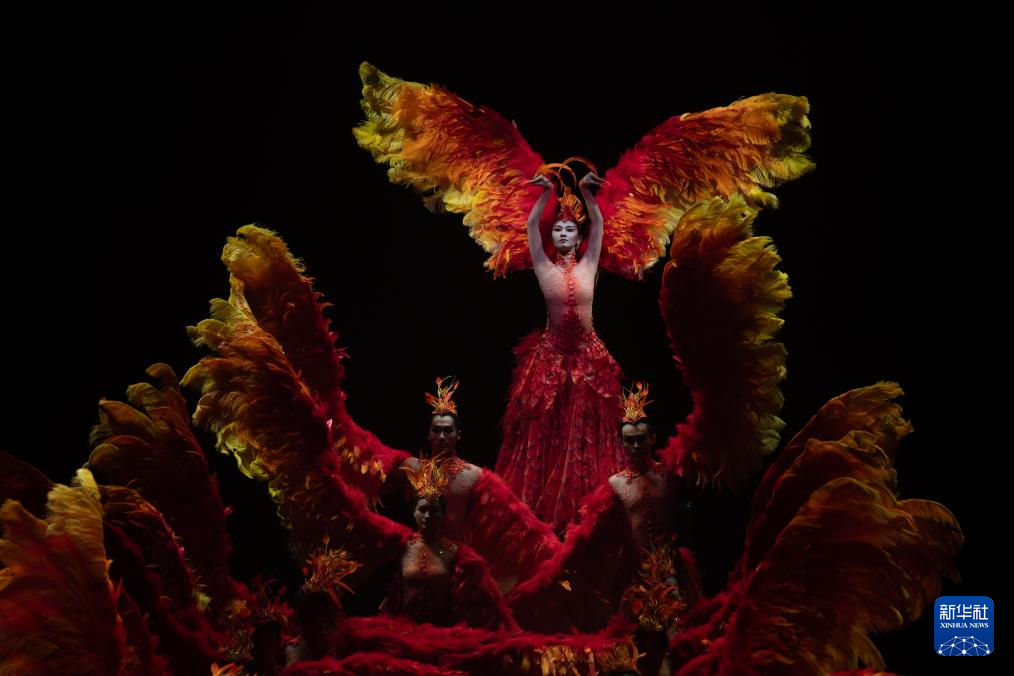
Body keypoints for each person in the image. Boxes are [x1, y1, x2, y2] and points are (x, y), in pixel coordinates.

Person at [495, 165, 625, 531]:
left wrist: (586, 192)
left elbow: (598, 226)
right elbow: (530, 230)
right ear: (552, 236)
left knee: (587, 434)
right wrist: (544, 195)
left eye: (569, 229)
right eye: (558, 229)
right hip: (550, 359)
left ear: (578, 235)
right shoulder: (543, 266)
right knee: (545, 432)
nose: (564, 233)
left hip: (588, 359)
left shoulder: (589, 264)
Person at [385, 463, 517, 630]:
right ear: (414, 513)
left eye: (434, 511)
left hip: (439, 633)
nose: (427, 516)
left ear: (443, 515)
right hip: (403, 631)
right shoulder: (402, 547)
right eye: (423, 510)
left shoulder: (455, 553)